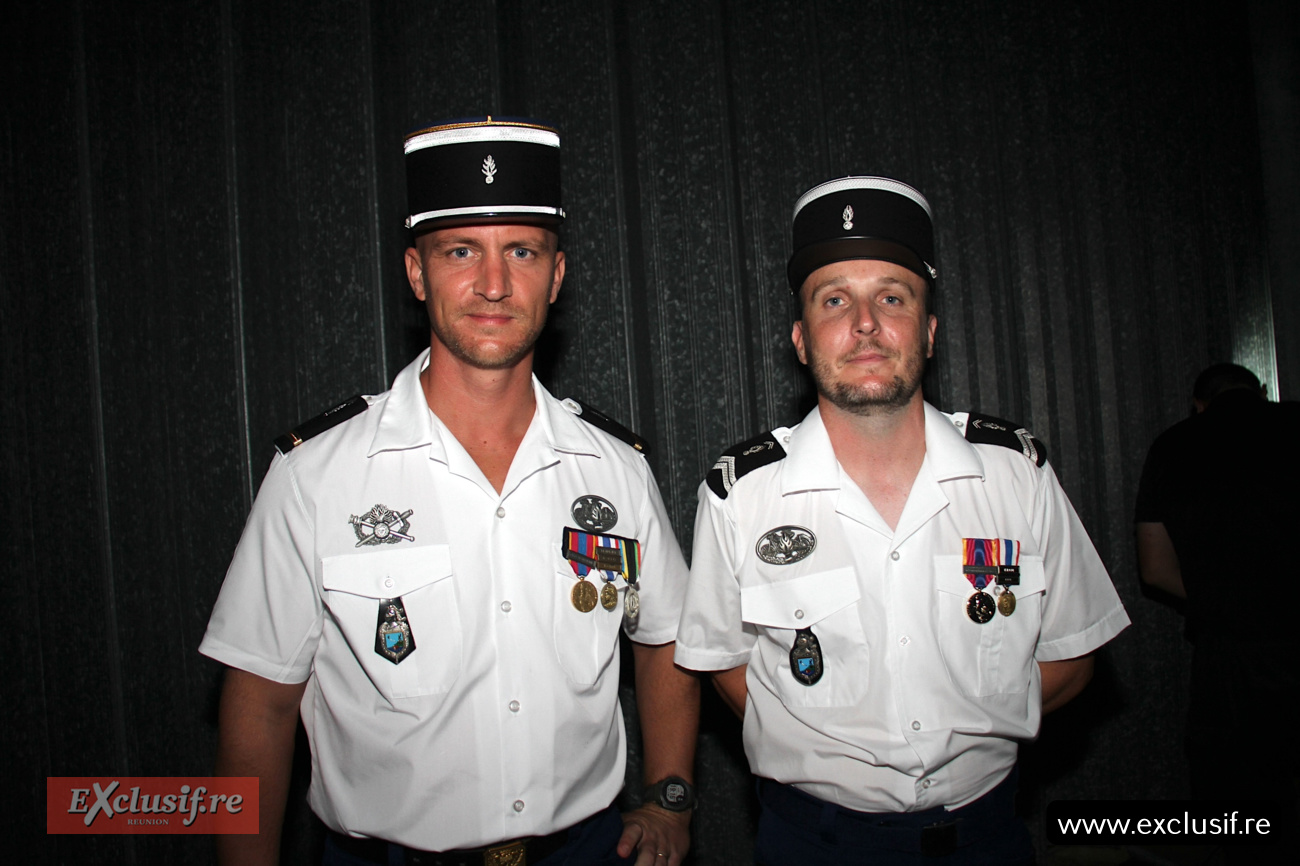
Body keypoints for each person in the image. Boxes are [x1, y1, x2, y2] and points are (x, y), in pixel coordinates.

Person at [200, 117, 699, 866]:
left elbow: (665, 639)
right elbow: (260, 705)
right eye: (460, 251)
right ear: (415, 272)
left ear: (557, 276)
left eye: (522, 252)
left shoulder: (614, 470)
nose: (494, 285)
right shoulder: (317, 476)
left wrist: (670, 798)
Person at [673, 176, 1130, 864]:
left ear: (930, 330)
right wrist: (822, 745)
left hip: (984, 838)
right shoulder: (741, 494)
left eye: (892, 297)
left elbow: (1073, 649)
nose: (864, 323)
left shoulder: (1014, 474)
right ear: (800, 339)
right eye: (835, 300)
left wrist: (970, 726)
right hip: (811, 845)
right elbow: (728, 666)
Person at [1135, 362, 1299, 853]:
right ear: (1261, 391)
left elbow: (1155, 569)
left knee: (1236, 815)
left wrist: (1223, 596)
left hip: (1230, 659)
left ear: (1199, 404)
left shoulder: (1173, 445)